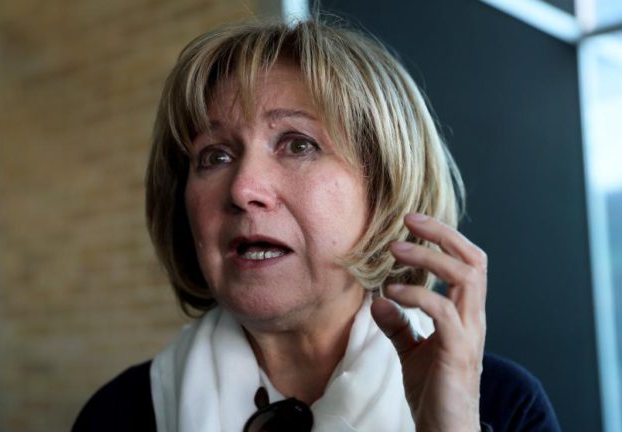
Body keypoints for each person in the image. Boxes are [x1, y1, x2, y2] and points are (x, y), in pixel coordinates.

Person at [73, 17, 560, 432]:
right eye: (215, 156)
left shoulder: (503, 406)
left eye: (298, 145)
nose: (243, 189)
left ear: (384, 189)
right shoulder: (119, 414)